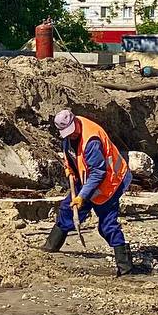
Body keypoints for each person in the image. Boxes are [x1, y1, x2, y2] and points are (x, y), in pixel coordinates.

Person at [43, 109, 135, 276]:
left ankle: (126, 267)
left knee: (107, 225)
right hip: (88, 180)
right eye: (67, 134)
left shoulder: (91, 140)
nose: (71, 135)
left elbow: (98, 173)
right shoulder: (69, 138)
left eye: (72, 131)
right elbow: (70, 156)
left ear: (75, 121)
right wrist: (69, 170)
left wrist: (82, 196)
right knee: (67, 210)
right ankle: (50, 247)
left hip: (110, 183)